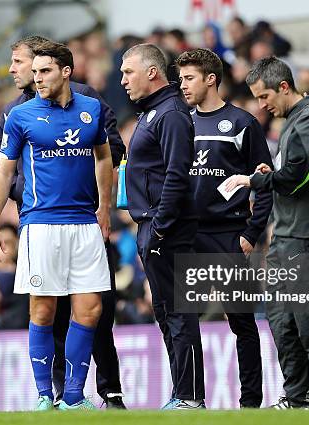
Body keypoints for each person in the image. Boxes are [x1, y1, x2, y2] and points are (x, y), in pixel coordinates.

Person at [0, 35, 126, 409]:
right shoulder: (19, 115)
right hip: (41, 224)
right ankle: (43, 395)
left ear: (66, 72)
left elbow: (104, 157)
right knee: (43, 309)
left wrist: (104, 208)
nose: (37, 78)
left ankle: (74, 396)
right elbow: (2, 173)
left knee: (91, 310)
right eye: (33, 71)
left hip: (85, 223)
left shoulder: (91, 109)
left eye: (44, 71)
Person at [225, 56, 309, 408]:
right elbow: (287, 174)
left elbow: (298, 175)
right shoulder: (293, 122)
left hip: (308, 236)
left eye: (264, 97)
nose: (261, 106)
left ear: (284, 87)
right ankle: (295, 397)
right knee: (282, 321)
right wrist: (269, 172)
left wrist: (257, 179)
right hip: (286, 237)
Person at [176, 48, 273, 408]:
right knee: (185, 323)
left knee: (242, 323)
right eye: (181, 78)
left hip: (227, 234)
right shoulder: (181, 122)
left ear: (210, 79)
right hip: (188, 234)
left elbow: (265, 183)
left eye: (189, 78)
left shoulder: (242, 123)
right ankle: (190, 398)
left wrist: (251, 233)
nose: (183, 85)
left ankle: (250, 403)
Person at [120, 43, 205, 409]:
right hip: (153, 224)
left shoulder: (169, 113)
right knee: (166, 312)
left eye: (128, 72)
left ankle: (189, 396)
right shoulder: (152, 112)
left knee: (178, 312)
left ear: (152, 72)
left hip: (166, 228)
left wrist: (159, 228)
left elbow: (176, 175)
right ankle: (181, 394)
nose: (123, 80)